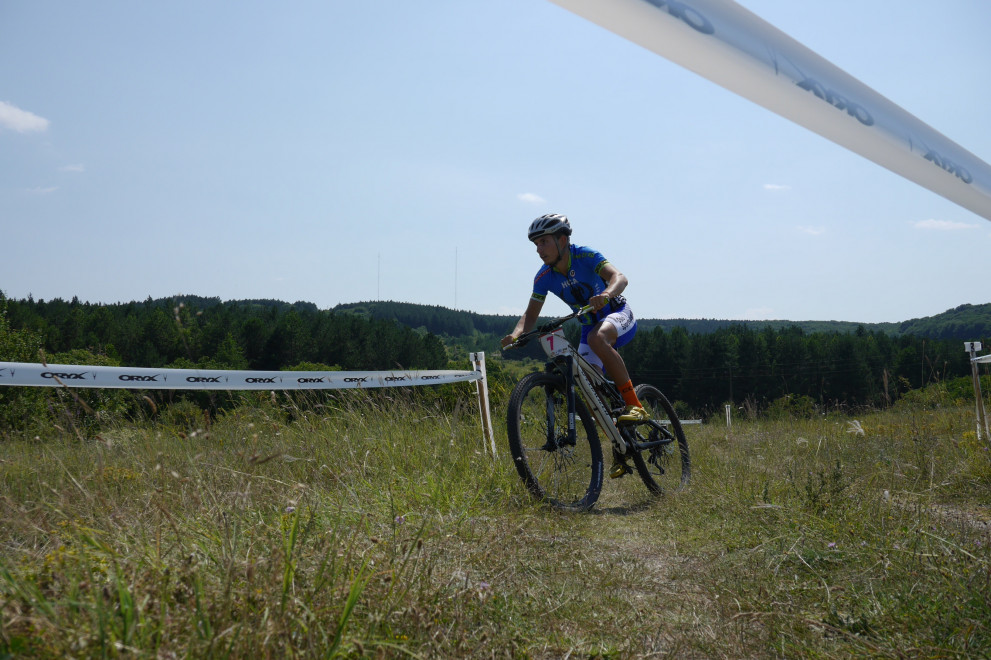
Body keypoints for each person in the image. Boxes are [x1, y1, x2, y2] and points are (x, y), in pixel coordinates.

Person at [501, 213, 646, 478]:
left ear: (563, 240)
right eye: (536, 244)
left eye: (544, 242)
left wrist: (605, 294)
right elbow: (530, 316)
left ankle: (635, 404)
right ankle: (621, 447)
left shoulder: (585, 255)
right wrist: (516, 334)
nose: (538, 249)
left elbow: (620, 278)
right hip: (589, 325)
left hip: (618, 314)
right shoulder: (543, 276)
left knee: (596, 339)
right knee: (588, 388)